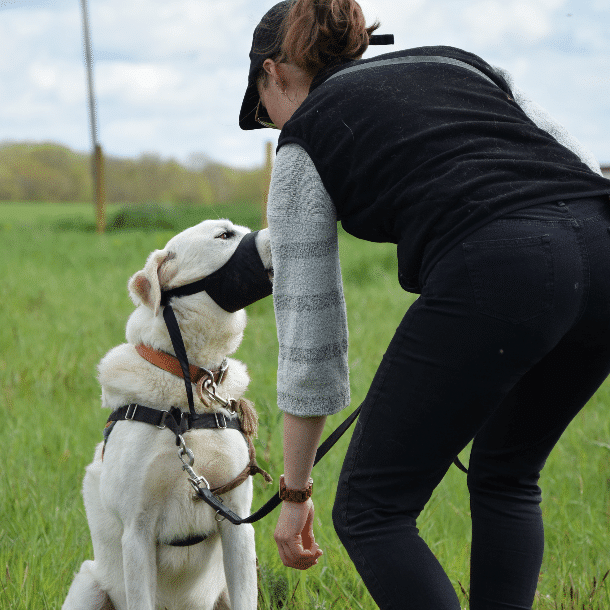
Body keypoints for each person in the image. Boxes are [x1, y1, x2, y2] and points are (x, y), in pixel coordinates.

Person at [239, 1, 610, 608]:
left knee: (369, 509)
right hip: (602, 250)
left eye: (264, 112)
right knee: (508, 477)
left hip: (504, 265)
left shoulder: (304, 142)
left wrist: (296, 493)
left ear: (273, 74)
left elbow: (311, 334)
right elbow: (574, 163)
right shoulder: (460, 64)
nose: (274, 125)